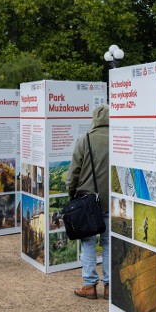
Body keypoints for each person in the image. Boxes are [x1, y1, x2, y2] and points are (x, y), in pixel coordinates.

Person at [67, 105, 110, 300]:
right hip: (110, 199)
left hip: (87, 200)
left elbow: (74, 172)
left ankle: (89, 285)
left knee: (88, 243)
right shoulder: (119, 137)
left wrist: (72, 194)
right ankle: (110, 286)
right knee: (109, 243)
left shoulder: (84, 139)